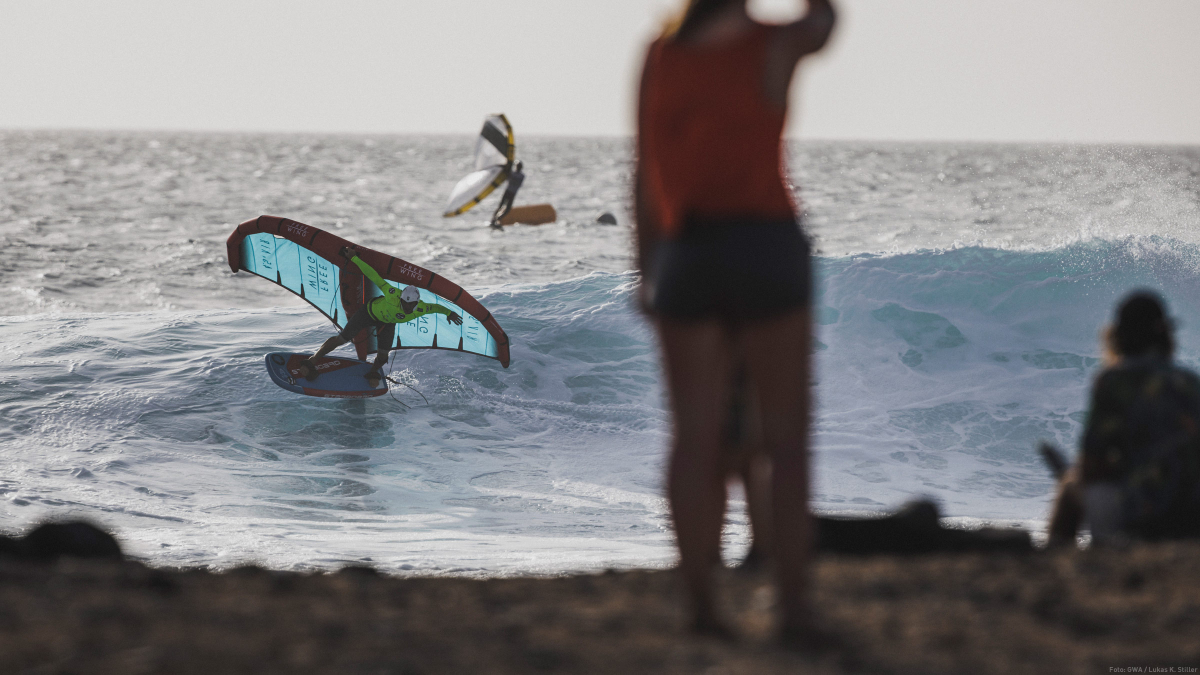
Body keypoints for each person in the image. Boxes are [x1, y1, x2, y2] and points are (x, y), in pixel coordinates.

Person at [633, 0, 835, 641]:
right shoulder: (770, 48)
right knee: (786, 442)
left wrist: (647, 269)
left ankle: (701, 608)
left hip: (688, 250)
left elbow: (644, 176)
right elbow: (826, 22)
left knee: (694, 442)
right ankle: (795, 609)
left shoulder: (663, 54)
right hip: (767, 244)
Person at [1047, 291, 1200, 546]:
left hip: (1142, 518)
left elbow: (1091, 465)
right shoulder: (1189, 382)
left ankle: (1056, 565)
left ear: (1117, 335)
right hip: (1193, 519)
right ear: (1166, 335)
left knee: (1071, 484)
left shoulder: (1114, 381)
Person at [299, 247, 463, 385]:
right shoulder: (393, 294)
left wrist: (449, 312)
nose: (406, 307)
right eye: (404, 303)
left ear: (416, 303)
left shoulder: (422, 308)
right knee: (342, 339)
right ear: (400, 298)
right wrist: (354, 258)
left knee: (383, 356)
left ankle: (372, 372)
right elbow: (373, 275)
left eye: (409, 305)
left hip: (387, 323)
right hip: (368, 313)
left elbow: (436, 307)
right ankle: (313, 359)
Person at [489, 160, 525, 229]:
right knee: (501, 206)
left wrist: (509, 170)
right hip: (508, 192)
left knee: (507, 208)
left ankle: (499, 218)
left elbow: (512, 177)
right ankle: (493, 220)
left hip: (512, 193)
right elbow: (507, 176)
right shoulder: (513, 173)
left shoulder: (521, 176)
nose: (517, 168)